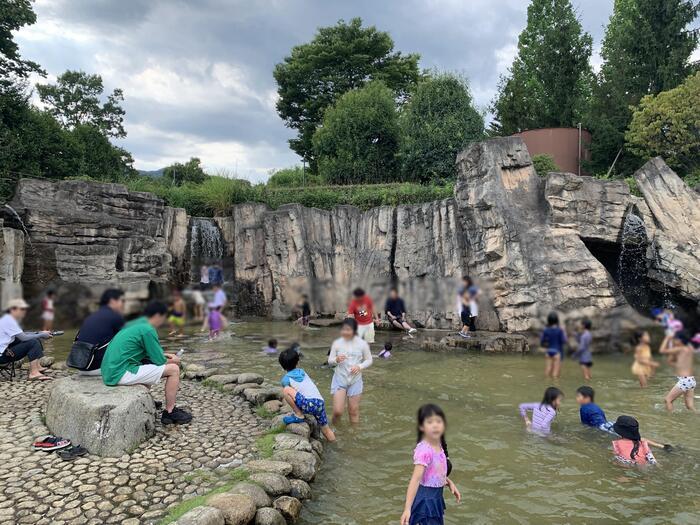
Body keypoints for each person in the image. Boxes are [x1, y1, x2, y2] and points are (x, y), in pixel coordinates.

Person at [101, 301, 191, 425]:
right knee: (174, 369)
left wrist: (162, 355)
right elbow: (159, 361)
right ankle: (170, 412)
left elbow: (141, 351)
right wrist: (174, 359)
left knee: (147, 365)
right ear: (158, 315)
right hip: (120, 372)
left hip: (109, 371)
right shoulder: (148, 329)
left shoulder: (134, 324)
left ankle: (147, 402)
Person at [400, 404, 460, 525]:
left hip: (435, 498)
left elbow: (435, 471)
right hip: (426, 501)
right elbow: (415, 479)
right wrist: (407, 508)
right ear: (422, 427)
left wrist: (448, 482)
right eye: (430, 422)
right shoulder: (424, 450)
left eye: (438, 421)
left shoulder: (438, 445)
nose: (435, 425)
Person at [278, 348, 336, 442]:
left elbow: (291, 395)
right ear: (297, 362)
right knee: (326, 429)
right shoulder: (302, 372)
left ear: (282, 366)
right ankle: (334, 442)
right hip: (320, 403)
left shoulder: (286, 379)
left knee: (286, 390)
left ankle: (298, 414)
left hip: (308, 403)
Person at [327, 318, 372, 424]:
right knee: (338, 411)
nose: (345, 332)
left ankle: (354, 436)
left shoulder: (362, 344)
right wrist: (336, 360)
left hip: (355, 380)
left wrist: (360, 366)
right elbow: (330, 361)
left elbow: (369, 360)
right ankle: (335, 430)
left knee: (353, 411)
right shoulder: (337, 344)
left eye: (348, 330)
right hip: (340, 379)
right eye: (343, 329)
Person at [0, 298, 53, 381]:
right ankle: (33, 373)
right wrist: (41, 334)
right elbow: (24, 337)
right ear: (13, 309)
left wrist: (39, 333)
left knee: (35, 337)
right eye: (22, 309)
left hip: (4, 351)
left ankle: (37, 367)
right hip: (2, 357)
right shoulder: (9, 321)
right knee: (32, 342)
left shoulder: (7, 319)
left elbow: (23, 334)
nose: (24, 311)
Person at [659, 331, 696, 412]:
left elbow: (662, 350)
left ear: (680, 340)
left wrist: (667, 338)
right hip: (691, 380)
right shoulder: (689, 349)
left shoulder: (680, 349)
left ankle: (670, 420)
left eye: (675, 339)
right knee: (690, 406)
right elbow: (673, 362)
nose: (673, 341)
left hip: (685, 380)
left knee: (668, 400)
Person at [541, 312, 567, 379]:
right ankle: (554, 386)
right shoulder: (559, 330)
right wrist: (564, 331)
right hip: (557, 353)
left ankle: (546, 384)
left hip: (548, 351)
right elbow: (564, 341)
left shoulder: (546, 330)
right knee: (555, 374)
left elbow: (542, 341)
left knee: (548, 370)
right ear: (557, 320)